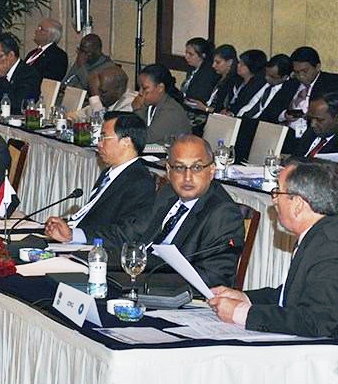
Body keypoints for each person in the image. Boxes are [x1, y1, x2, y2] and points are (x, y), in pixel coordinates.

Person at [209, 159, 338, 337]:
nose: (274, 199)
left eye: (278, 191)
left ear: (298, 204)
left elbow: (317, 321)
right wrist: (244, 299)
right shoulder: (319, 234)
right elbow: (291, 296)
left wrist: (242, 313)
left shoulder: (330, 247)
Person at [141, 135, 245, 287]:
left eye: (196, 168)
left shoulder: (223, 214)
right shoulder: (168, 193)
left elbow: (213, 277)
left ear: (211, 171)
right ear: (168, 171)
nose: (187, 177)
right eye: (179, 168)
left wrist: (151, 279)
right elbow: (135, 233)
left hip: (174, 290)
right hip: (144, 277)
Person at [44, 112, 157, 247]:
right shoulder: (108, 174)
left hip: (99, 251)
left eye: (104, 138)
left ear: (126, 142)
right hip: (78, 240)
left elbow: (126, 233)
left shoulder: (140, 182)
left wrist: (74, 235)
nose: (99, 144)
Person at [282, 46, 338, 140]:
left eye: (304, 71)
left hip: (312, 135)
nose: (300, 76)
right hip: (285, 133)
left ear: (317, 67)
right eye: (296, 72)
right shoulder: (290, 83)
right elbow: (273, 110)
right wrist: (284, 115)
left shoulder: (332, 83)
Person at [132, 63, 191, 144]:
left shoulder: (171, 110)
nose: (140, 93)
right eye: (139, 88)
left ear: (160, 88)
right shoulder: (152, 104)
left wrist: (138, 110)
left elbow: (145, 138)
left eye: (144, 88)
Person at [0, 33, 41, 111]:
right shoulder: (3, 70)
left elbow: (18, 104)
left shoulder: (29, 74)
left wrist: (2, 79)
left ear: (11, 55)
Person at [67, 65, 136, 122]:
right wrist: (69, 120)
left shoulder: (130, 104)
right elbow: (78, 115)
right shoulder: (105, 100)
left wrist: (94, 95)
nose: (99, 96)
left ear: (118, 90)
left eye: (103, 92)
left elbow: (103, 127)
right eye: (97, 91)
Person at [186, 44, 240, 114]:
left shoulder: (233, 83)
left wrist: (205, 108)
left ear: (230, 62)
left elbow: (224, 111)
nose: (213, 65)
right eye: (213, 62)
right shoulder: (217, 77)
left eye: (218, 62)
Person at [245, 54, 298, 122]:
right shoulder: (259, 78)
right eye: (266, 73)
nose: (266, 77)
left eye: (272, 76)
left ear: (284, 77)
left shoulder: (287, 92)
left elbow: (272, 117)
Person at [228, 49, 268, 116]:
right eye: (239, 62)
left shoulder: (256, 86)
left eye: (242, 64)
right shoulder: (237, 80)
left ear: (252, 66)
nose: (238, 65)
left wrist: (232, 113)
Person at [297, 93, 338, 158]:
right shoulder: (310, 133)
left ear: (336, 119)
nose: (312, 124)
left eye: (319, 120)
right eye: (310, 118)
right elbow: (296, 156)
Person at [180, 37, 219, 104]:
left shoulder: (208, 74)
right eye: (186, 53)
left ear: (203, 55)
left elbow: (196, 98)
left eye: (191, 54)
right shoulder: (192, 68)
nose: (186, 57)